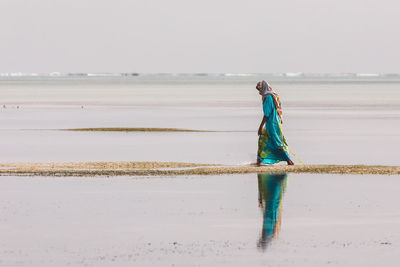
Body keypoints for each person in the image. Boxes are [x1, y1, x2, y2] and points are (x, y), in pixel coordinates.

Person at [256, 80, 294, 166]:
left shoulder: (268, 97)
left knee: (276, 141)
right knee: (263, 139)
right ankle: (259, 160)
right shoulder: (272, 95)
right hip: (275, 122)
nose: (259, 91)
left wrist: (260, 127)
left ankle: (289, 160)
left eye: (259, 89)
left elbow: (267, 114)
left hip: (271, 123)